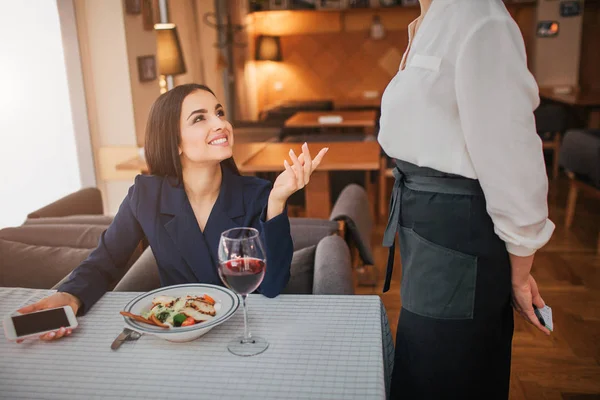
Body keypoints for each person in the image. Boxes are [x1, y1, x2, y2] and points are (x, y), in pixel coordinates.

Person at [17, 83, 328, 341]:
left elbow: (272, 286)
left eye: (219, 112)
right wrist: (70, 296)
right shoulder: (146, 195)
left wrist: (278, 200)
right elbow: (105, 261)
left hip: (245, 333)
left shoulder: (259, 194)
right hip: (180, 335)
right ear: (175, 142)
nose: (220, 123)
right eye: (200, 118)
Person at [378, 0, 554, 398]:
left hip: (459, 237)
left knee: (449, 370)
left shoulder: (480, 16)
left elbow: (514, 154)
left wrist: (520, 271)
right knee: (423, 363)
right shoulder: (429, 19)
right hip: (426, 233)